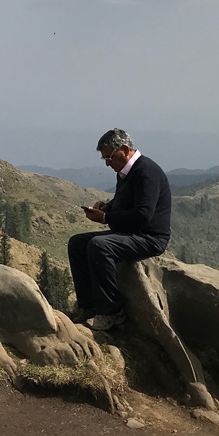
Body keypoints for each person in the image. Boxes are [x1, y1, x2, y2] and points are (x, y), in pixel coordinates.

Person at [67, 128, 171, 331]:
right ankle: (88, 306)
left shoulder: (146, 172)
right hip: (131, 233)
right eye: (105, 159)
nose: (107, 163)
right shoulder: (125, 171)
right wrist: (107, 206)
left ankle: (111, 312)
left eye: (109, 157)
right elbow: (124, 199)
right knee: (77, 243)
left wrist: (106, 218)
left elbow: (143, 215)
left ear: (124, 149)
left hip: (149, 237)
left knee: (99, 246)